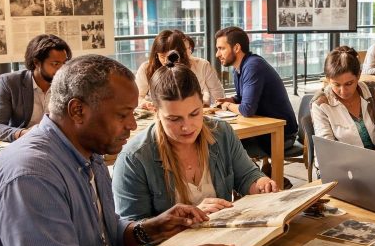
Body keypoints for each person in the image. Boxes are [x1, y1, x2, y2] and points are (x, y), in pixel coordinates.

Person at [0, 55, 248, 246]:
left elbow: (103, 237)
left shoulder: (89, 152)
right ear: (78, 111)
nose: (132, 125)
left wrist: (152, 227)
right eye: (123, 115)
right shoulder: (30, 175)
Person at [113, 52, 276, 221]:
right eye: (174, 119)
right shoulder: (134, 159)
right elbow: (132, 234)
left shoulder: (221, 133)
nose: (187, 126)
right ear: (155, 111)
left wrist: (260, 184)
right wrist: (187, 218)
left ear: (202, 104)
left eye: (195, 113)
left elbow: (246, 176)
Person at [214, 26, 298, 187]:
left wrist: (226, 106)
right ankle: (258, 181)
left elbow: (247, 109)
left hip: (281, 134)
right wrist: (229, 100)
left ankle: (265, 182)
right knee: (227, 142)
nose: (218, 54)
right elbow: (241, 98)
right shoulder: (239, 68)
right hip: (264, 131)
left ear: (236, 48)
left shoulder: (253, 66)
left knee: (228, 145)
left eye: (221, 48)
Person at [312, 46, 375, 157]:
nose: (343, 91)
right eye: (336, 84)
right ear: (328, 79)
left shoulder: (374, 92)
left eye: (349, 84)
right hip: (337, 168)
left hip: (374, 163)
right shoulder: (320, 103)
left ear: (358, 75)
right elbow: (326, 151)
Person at [0, 34, 71, 142]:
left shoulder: (68, 83)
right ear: (36, 62)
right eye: (55, 64)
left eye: (64, 63)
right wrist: (24, 134)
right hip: (26, 144)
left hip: (59, 144)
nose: (61, 69)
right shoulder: (11, 83)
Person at [136, 29, 224, 107]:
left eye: (171, 56)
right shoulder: (146, 68)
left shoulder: (202, 65)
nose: (166, 61)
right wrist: (145, 103)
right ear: (156, 55)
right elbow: (137, 97)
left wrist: (204, 103)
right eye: (162, 56)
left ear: (181, 53)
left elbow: (218, 97)